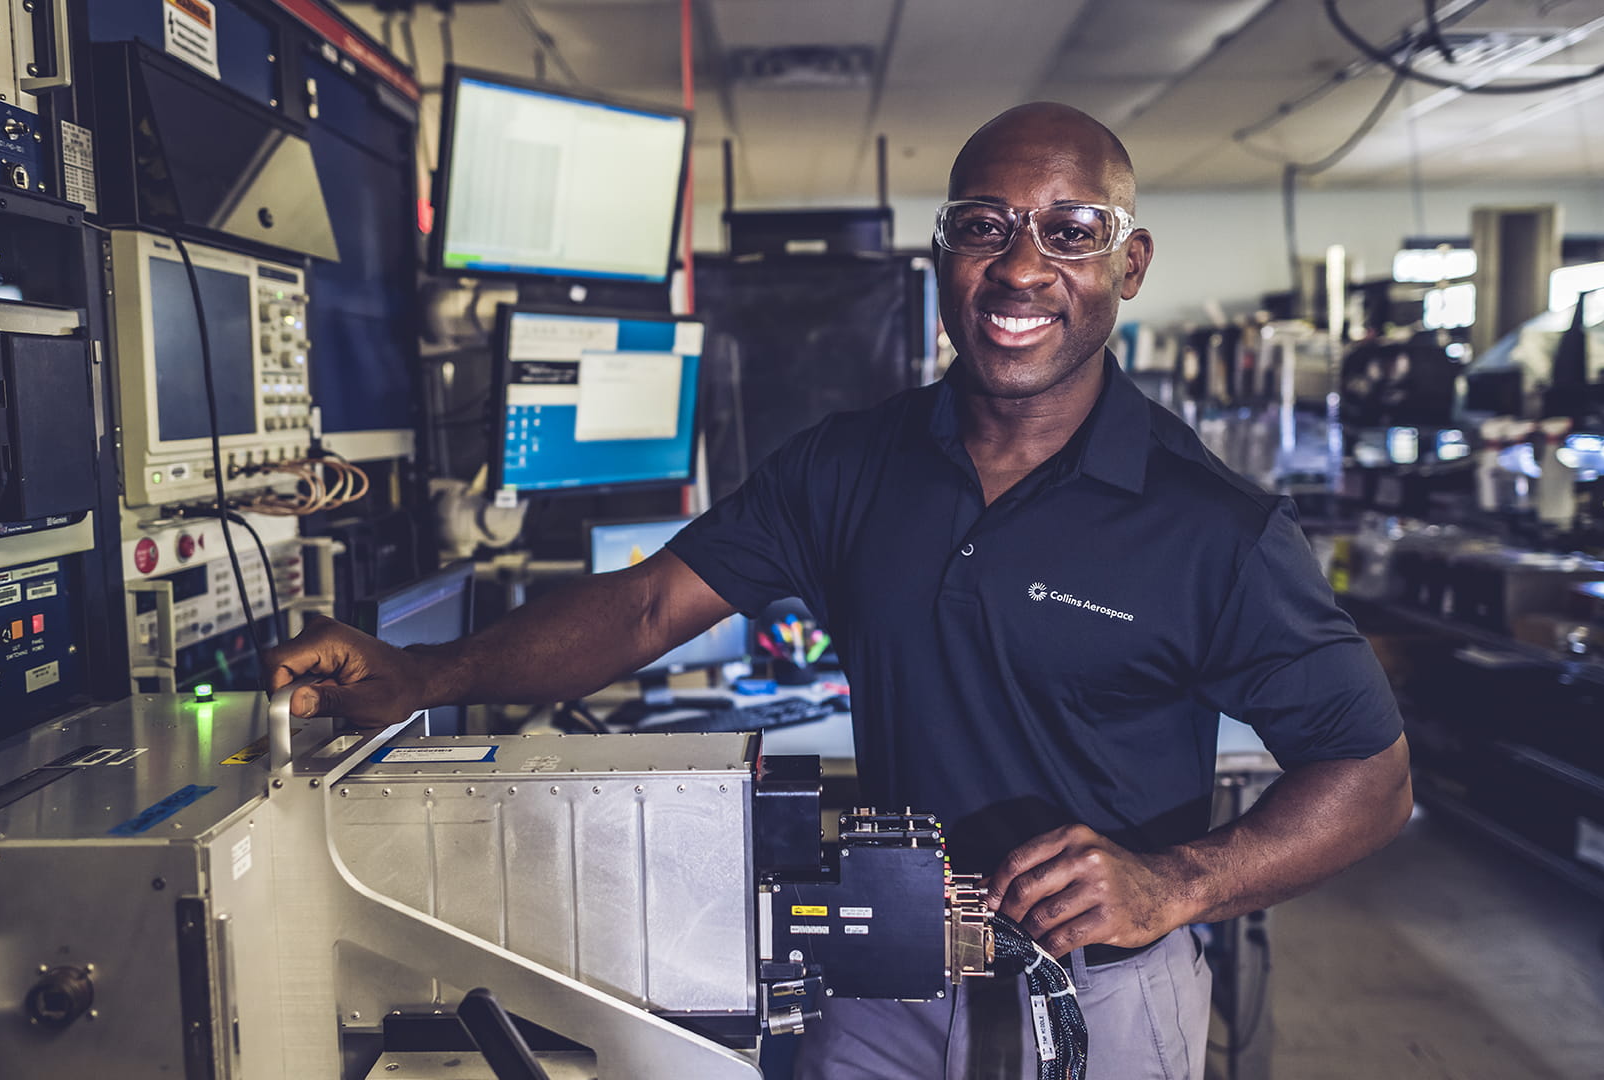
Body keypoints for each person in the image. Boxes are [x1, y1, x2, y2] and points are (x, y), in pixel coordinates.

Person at [266, 102, 1412, 1080]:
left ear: (1130, 263)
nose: (1021, 268)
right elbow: (648, 608)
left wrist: (1176, 880)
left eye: (1070, 232)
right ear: (942, 254)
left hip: (1100, 999)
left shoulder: (1213, 524)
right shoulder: (847, 466)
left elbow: (1373, 776)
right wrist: (421, 674)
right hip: (880, 983)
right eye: (984, 228)